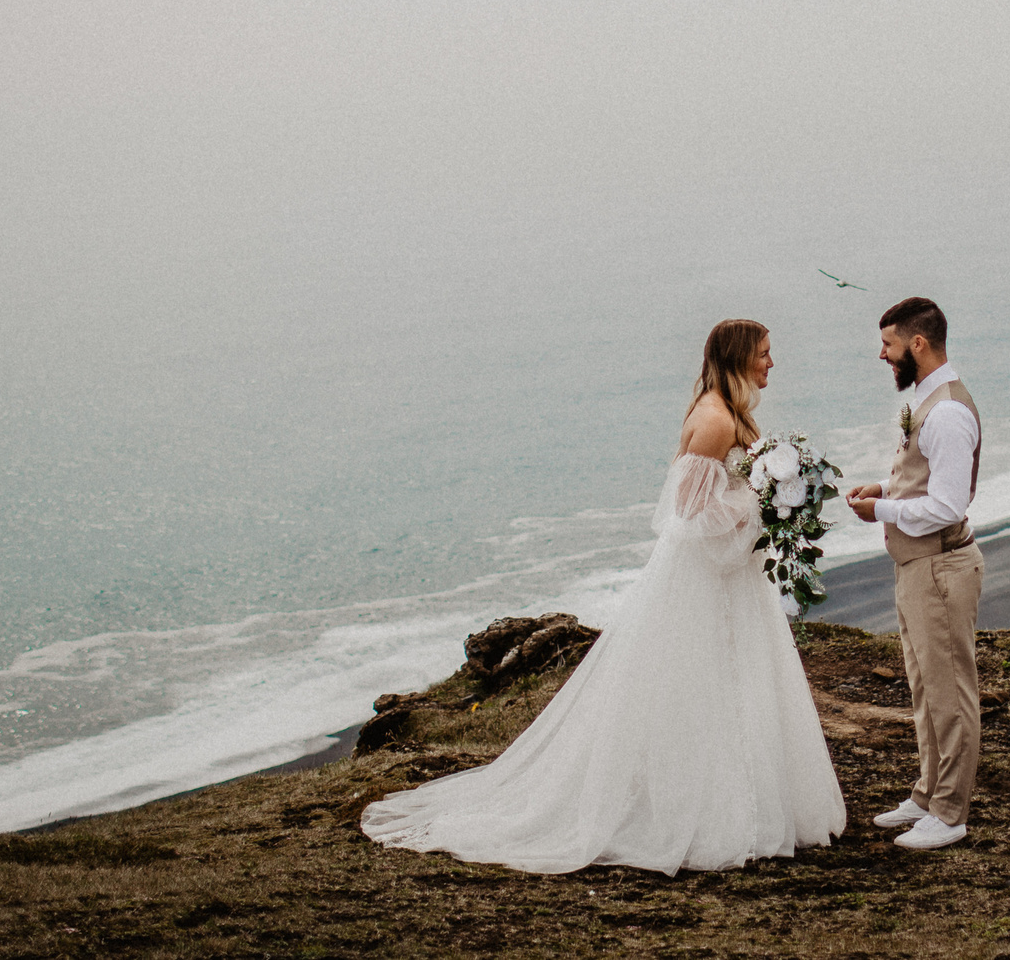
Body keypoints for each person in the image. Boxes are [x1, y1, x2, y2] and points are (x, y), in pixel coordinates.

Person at [360, 319, 845, 874]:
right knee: (696, 684)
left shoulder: (730, 413)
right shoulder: (713, 420)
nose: (771, 362)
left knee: (733, 682)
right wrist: (764, 505)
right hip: (701, 578)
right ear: (739, 358)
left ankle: (745, 799)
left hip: (728, 576)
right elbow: (686, 514)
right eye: (764, 353)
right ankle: (698, 809)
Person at [845, 296, 982, 851]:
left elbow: (949, 506)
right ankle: (927, 795)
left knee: (950, 692)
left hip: (941, 567)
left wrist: (881, 511)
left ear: (917, 345)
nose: (883, 355)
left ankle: (950, 814)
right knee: (925, 686)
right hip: (918, 566)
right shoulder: (927, 401)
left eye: (889, 345)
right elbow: (924, 480)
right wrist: (887, 487)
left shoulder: (947, 412)